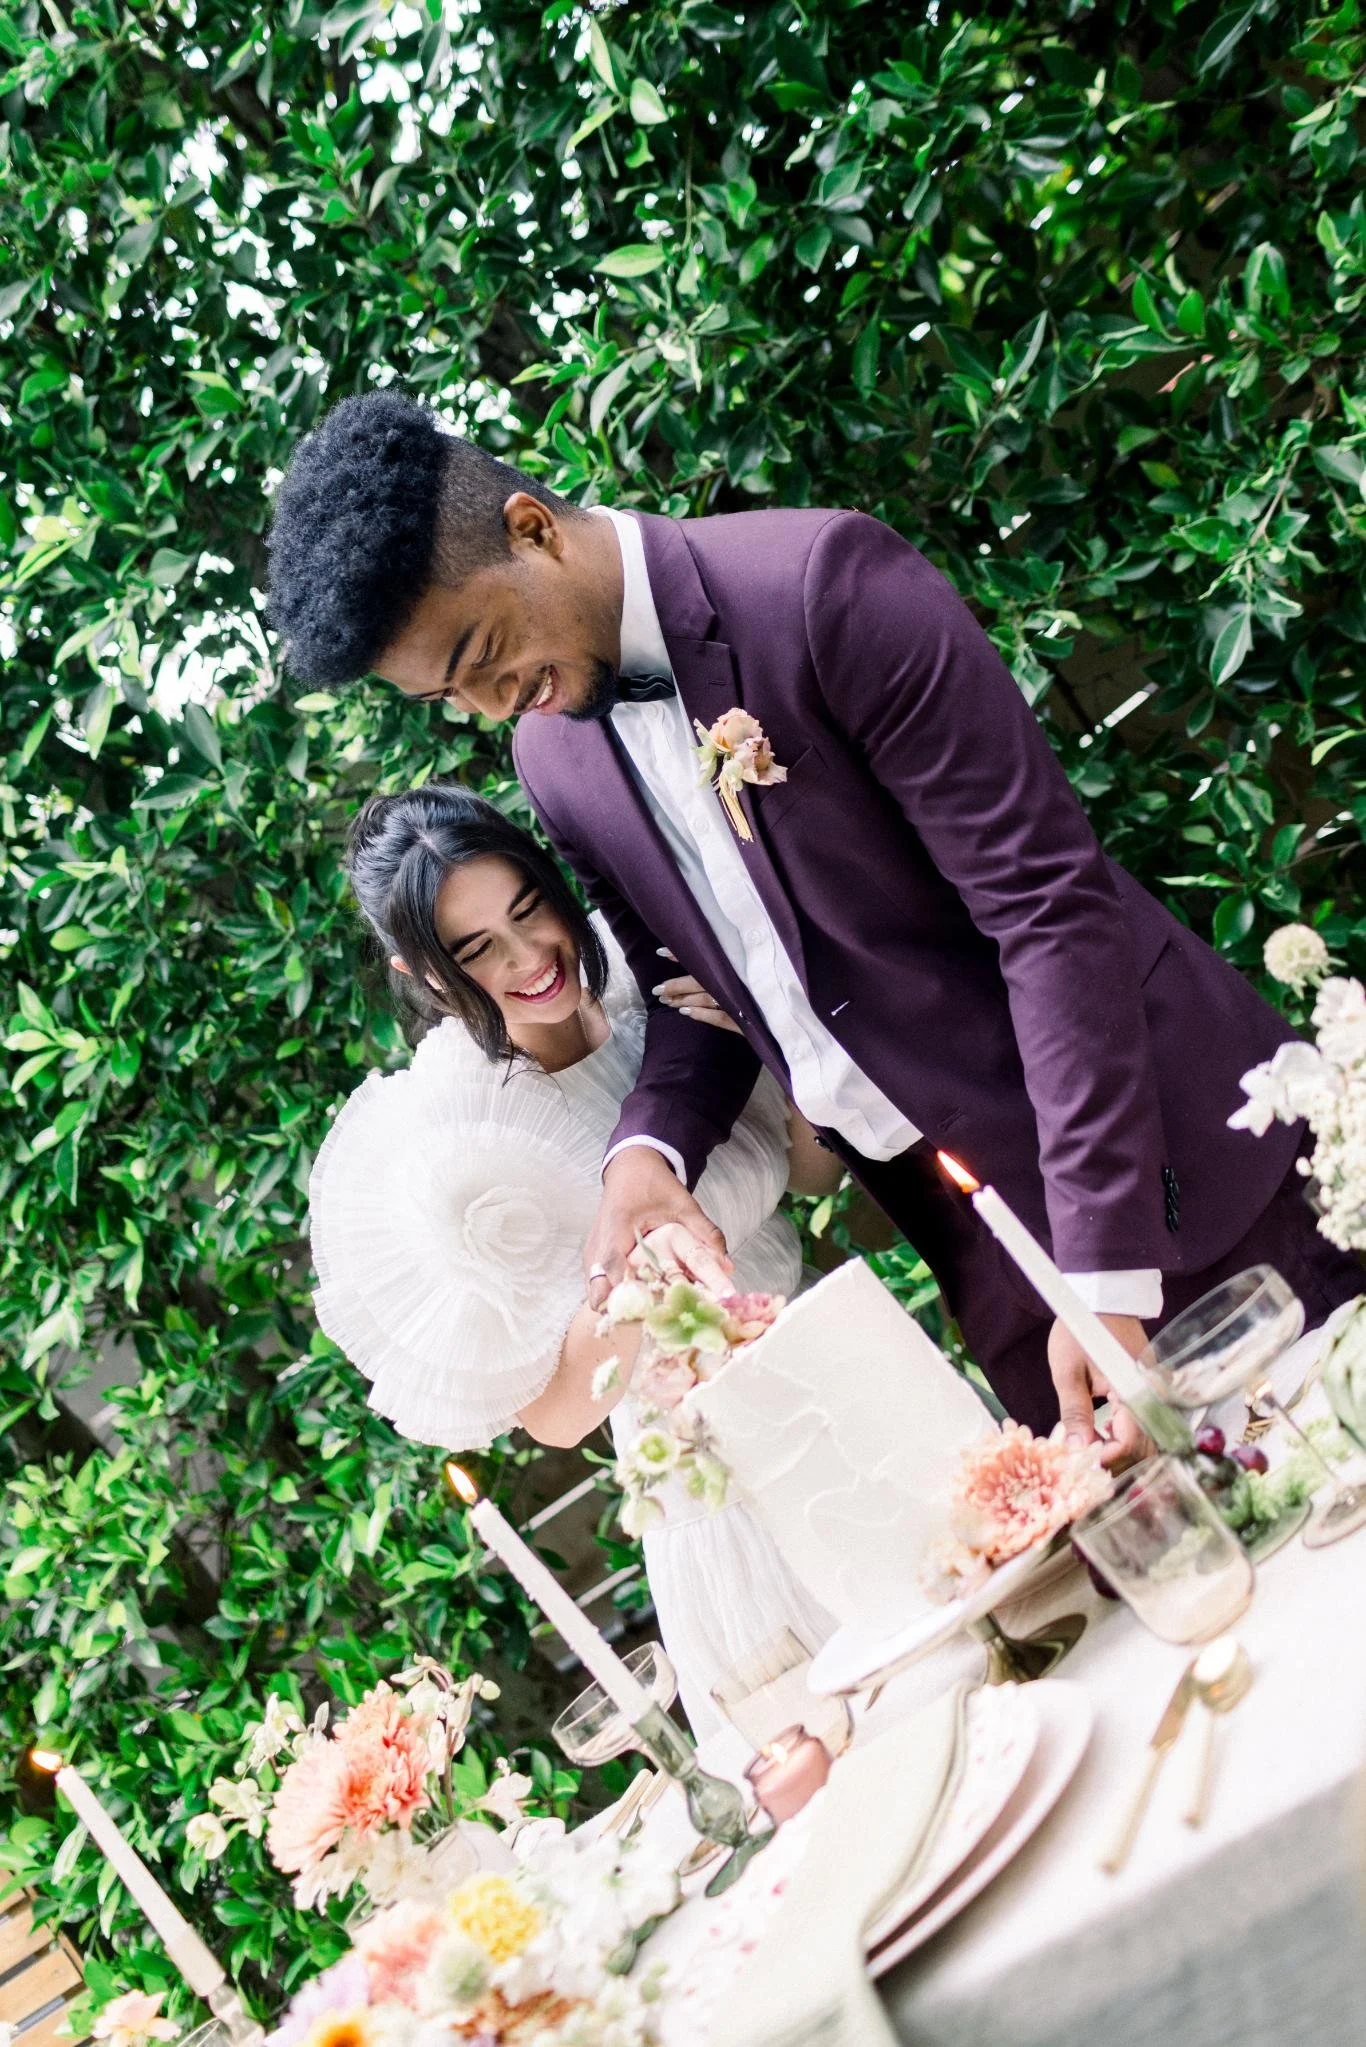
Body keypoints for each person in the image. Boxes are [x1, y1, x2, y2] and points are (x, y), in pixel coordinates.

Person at [269, 392, 1365, 1461]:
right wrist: (646, 1152)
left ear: (532, 529)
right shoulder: (553, 758)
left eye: (484, 654)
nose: (494, 705)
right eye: (450, 699)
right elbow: (695, 994)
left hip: (1177, 1172)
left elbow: (1049, 911)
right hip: (984, 1253)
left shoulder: (822, 585)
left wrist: (1107, 1267)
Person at [307, 784, 837, 1737]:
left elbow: (806, 1173)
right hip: (722, 1486)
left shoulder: (654, 987)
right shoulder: (459, 1137)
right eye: (477, 951)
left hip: (840, 1378)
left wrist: (780, 1036)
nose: (529, 960)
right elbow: (553, 1415)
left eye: (529, 911)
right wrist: (635, 1282)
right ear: (424, 975)